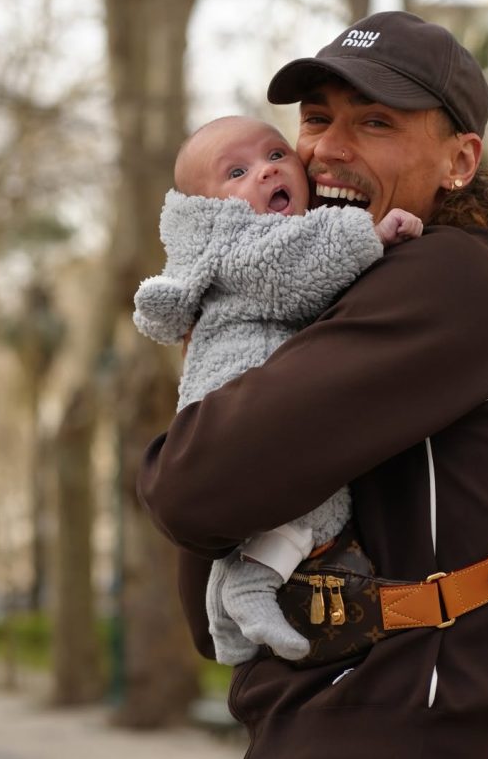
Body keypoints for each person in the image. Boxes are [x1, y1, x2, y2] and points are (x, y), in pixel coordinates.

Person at [137, 12, 488, 759]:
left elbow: (189, 490)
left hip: (395, 758)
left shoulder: (454, 278)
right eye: (316, 119)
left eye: (374, 122)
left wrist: (195, 434)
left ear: (459, 160)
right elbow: (210, 604)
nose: (325, 149)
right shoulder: (346, 295)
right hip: (343, 754)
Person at [133, 115, 422, 666]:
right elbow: (297, 267)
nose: (265, 172)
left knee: (298, 500)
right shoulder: (239, 242)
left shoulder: (248, 239)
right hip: (239, 387)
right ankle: (250, 584)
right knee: (313, 496)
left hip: (242, 394)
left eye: (274, 155)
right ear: (209, 206)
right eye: (236, 172)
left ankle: (227, 611)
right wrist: (373, 233)